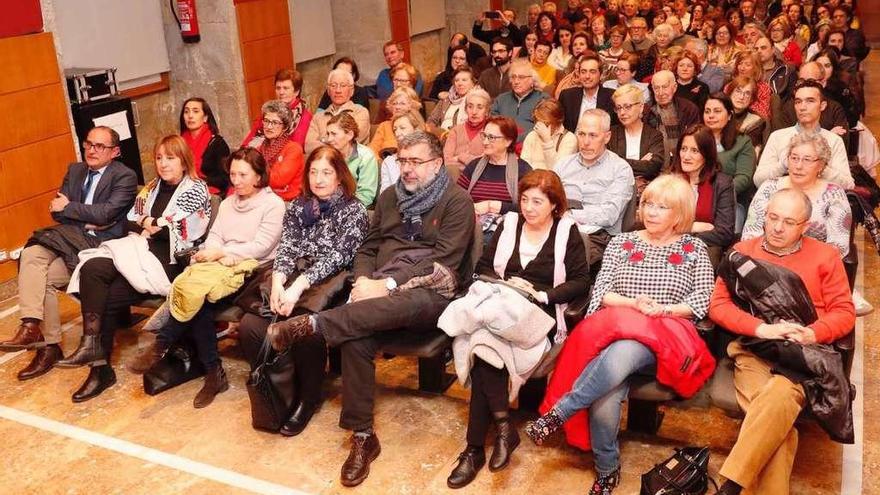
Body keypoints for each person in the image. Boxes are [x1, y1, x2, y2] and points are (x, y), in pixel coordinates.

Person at [265, 132, 476, 488]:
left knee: (379, 309)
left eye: (415, 162)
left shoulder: (457, 202)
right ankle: (363, 437)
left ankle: (315, 325)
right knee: (355, 336)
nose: (406, 169)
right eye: (402, 161)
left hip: (431, 291)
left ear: (437, 164)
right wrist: (364, 282)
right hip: (378, 288)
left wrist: (387, 286)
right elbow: (368, 248)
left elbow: (445, 261)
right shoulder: (390, 197)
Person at [527, 174, 715, 494]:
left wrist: (663, 310)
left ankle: (562, 411)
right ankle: (607, 468)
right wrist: (635, 304)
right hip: (617, 326)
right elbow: (601, 293)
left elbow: (701, 300)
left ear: (680, 214)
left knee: (624, 350)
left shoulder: (694, 247)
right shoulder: (621, 242)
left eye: (662, 207)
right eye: (648, 205)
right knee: (607, 391)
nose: (652, 212)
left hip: (665, 335)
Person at [444, 170, 590, 489]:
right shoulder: (509, 225)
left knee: (482, 344)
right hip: (502, 305)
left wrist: (543, 294)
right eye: (524, 199)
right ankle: (499, 431)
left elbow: (580, 281)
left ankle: (475, 449)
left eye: (537, 201)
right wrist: (504, 286)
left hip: (540, 315)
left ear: (554, 204)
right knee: (484, 346)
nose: (528, 207)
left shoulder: (567, 232)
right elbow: (483, 268)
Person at [709, 188, 855, 495]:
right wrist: (761, 328)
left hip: (804, 356)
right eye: (772, 218)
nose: (777, 227)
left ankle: (732, 485)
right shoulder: (743, 252)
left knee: (775, 399)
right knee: (778, 427)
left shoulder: (825, 256)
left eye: (788, 222)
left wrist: (813, 332)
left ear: (804, 225)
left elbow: (844, 312)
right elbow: (718, 306)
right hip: (755, 349)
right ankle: (733, 485)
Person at [126, 147, 285, 408]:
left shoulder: (273, 205)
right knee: (195, 295)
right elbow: (215, 235)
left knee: (196, 297)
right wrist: (208, 252)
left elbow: (262, 246)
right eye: (233, 174)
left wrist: (222, 253)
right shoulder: (228, 203)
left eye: (243, 174)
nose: (236, 180)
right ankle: (213, 372)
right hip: (218, 263)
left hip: (252, 269)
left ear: (259, 176)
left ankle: (165, 346)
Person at [57, 135, 211, 402]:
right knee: (93, 268)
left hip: (170, 263)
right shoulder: (151, 187)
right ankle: (96, 358)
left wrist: (151, 224)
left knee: (100, 291)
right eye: (160, 158)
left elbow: (178, 231)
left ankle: (96, 361)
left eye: (170, 158)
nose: (163, 164)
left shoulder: (196, 188)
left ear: (184, 161)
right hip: (140, 253)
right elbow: (129, 222)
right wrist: (152, 224)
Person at [238, 145, 369, 437]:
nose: (319, 179)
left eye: (326, 173)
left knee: (303, 327)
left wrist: (297, 287)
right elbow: (287, 246)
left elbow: (339, 257)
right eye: (313, 172)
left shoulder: (353, 210)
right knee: (250, 326)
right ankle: (279, 388)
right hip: (294, 276)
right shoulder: (299, 205)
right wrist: (278, 283)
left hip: (331, 281)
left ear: (340, 176)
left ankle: (309, 397)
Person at [0, 127, 137, 382]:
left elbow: (106, 214)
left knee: (42, 271)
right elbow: (56, 211)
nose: (92, 150)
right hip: (68, 240)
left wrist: (73, 210)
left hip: (99, 248)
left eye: (100, 146)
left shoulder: (124, 176)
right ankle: (39, 335)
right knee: (31, 256)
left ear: (115, 152)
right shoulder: (75, 170)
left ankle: (42, 341)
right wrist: (86, 216)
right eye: (89, 144)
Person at [743, 132, 852, 256]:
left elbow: (839, 247)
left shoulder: (834, 195)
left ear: (821, 165)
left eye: (807, 160)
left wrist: (801, 263)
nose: (798, 166)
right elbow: (750, 235)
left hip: (814, 265)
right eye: (794, 158)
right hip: (765, 262)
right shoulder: (769, 187)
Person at [554, 109, 635, 265]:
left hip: (598, 237)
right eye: (582, 134)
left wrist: (570, 214)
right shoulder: (563, 165)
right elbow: (547, 198)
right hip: (560, 229)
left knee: (564, 253)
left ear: (607, 137)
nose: (585, 142)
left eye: (593, 135)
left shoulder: (620, 169)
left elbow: (609, 215)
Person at [755, 80, 854, 189]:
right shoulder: (778, 137)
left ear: (822, 105)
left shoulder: (833, 140)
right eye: (798, 102)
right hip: (783, 200)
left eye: (810, 101)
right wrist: (783, 165)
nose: (802, 107)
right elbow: (758, 180)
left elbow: (848, 185)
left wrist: (821, 167)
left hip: (819, 201)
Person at [457, 116, 532, 241]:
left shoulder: (523, 170)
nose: (485, 142)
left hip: (506, 229)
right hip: (470, 222)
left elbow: (528, 207)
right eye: (484, 136)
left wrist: (493, 206)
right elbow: (457, 198)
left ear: (508, 141)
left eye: (491, 137)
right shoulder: (474, 166)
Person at [669, 125, 736, 262]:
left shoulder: (722, 183)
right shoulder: (670, 180)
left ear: (707, 154)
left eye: (694, 151)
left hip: (702, 248)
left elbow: (724, 233)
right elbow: (658, 222)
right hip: (666, 244)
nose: (686, 156)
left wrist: (681, 232)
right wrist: (693, 226)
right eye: (683, 149)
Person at [703, 93, 757, 229]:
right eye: (707, 111)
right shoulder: (696, 139)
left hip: (730, 201)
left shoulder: (742, 141)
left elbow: (744, 178)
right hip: (695, 198)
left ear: (729, 116)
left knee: (728, 233)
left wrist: (717, 194)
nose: (710, 116)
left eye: (717, 111)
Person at [608, 84, 665, 196]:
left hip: (646, 194)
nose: (622, 113)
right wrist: (641, 163)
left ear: (641, 107)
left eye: (627, 106)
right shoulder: (611, 134)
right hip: (614, 192)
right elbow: (609, 166)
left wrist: (620, 161)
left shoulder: (654, 135)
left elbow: (652, 168)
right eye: (618, 108)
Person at [245, 100, 305, 202]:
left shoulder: (293, 149)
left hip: (287, 201)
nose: (269, 126)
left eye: (275, 123)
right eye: (267, 121)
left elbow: (278, 180)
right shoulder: (259, 148)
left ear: (285, 127)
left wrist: (253, 175)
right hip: (263, 198)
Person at [242, 69, 312, 148]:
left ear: (296, 92)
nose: (281, 92)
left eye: (286, 88)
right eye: (278, 88)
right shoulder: (270, 110)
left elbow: (297, 146)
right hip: (258, 152)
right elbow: (251, 136)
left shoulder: (304, 116)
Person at [305, 69, 371, 154]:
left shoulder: (361, 113)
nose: (338, 90)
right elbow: (308, 146)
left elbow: (352, 141)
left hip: (352, 163)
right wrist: (335, 140)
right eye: (333, 85)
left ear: (351, 91)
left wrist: (322, 140)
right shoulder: (318, 117)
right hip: (323, 163)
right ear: (328, 91)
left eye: (343, 86)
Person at [645, 70, 702, 167]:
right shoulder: (646, 111)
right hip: (654, 164)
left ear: (674, 87)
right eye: (656, 88)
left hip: (682, 162)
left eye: (665, 87)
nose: (660, 92)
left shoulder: (689, 109)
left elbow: (695, 140)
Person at [324, 112, 379, 207]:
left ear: (349, 135)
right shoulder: (327, 154)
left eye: (334, 134)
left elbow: (366, 195)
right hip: (327, 204)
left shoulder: (366, 156)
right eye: (328, 134)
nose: (329, 139)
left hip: (354, 208)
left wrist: (342, 209)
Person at [179, 97, 231, 196]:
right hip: (182, 189)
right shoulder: (179, 143)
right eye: (186, 112)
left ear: (205, 118)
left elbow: (225, 180)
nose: (190, 116)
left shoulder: (217, 143)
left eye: (195, 111)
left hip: (209, 193)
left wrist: (199, 180)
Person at [491, 59, 548, 143]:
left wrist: (515, 139)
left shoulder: (543, 99)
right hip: (502, 145)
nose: (516, 81)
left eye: (521, 77)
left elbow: (542, 127)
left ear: (532, 80)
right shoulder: (501, 99)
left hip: (531, 145)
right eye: (513, 77)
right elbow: (493, 124)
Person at [559, 53, 616, 133]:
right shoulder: (567, 96)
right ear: (579, 74)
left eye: (592, 72)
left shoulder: (612, 97)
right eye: (583, 72)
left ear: (601, 74)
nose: (587, 76)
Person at [445, 89, 491, 182]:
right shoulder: (455, 131)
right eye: (470, 107)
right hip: (454, 179)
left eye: (479, 107)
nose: (474, 112)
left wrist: (460, 157)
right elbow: (447, 162)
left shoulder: (490, 132)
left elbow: (485, 164)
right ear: (466, 109)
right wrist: (473, 161)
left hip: (481, 179)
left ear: (487, 111)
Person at [520, 99, 577, 170]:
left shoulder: (569, 138)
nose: (540, 126)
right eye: (537, 121)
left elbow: (559, 170)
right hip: (532, 178)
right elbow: (524, 166)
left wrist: (547, 141)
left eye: (545, 123)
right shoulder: (532, 135)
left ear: (557, 122)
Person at [369, 86, 423, 157]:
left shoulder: (423, 127)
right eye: (394, 103)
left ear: (413, 105)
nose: (397, 107)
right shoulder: (384, 126)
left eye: (402, 103)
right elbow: (372, 152)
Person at [380, 111, 426, 192]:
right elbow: (384, 195)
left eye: (402, 128)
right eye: (395, 130)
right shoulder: (389, 162)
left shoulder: (428, 159)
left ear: (416, 130)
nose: (397, 133)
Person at [426, 67, 476, 138]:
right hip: (440, 137)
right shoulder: (446, 100)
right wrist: (439, 132)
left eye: (464, 80)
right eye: (457, 80)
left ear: (472, 83)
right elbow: (431, 121)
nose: (460, 83)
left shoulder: (477, 100)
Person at [725, 51, 772, 120]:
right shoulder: (729, 85)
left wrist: (741, 108)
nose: (742, 68)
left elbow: (763, 114)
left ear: (756, 68)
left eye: (747, 65)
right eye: (740, 64)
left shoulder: (763, 88)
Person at [755, 35, 797, 99]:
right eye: (756, 49)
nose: (759, 51)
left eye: (763, 48)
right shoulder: (750, 70)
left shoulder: (786, 70)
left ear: (773, 50)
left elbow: (790, 99)